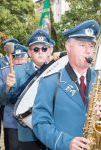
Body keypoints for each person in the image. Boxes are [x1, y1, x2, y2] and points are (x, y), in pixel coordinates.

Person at [32, 20, 101, 150]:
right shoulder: (49, 82)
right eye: (82, 45)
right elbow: (40, 124)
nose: (88, 51)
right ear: (68, 47)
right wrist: (65, 142)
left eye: (91, 46)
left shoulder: (99, 79)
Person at [0, 29, 55, 150]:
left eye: (44, 49)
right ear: (29, 52)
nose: (40, 52)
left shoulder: (56, 70)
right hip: (28, 133)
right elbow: (0, 98)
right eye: (36, 49)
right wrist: (7, 86)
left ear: (49, 50)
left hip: (52, 131)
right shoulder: (18, 71)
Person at [0, 43, 28, 150]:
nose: (19, 61)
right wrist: (7, 86)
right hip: (12, 121)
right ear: (11, 59)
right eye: (15, 58)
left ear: (27, 58)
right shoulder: (5, 72)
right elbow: (0, 97)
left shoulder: (34, 71)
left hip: (29, 122)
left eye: (22, 58)